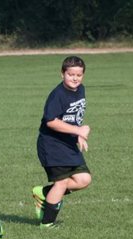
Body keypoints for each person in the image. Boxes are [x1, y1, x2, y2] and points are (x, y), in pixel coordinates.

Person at [32, 56, 92, 229]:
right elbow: (50, 121)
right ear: (62, 74)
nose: (74, 78)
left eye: (78, 75)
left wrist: (79, 134)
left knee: (83, 179)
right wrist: (78, 131)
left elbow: (75, 115)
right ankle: (47, 223)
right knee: (61, 182)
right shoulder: (57, 95)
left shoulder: (80, 90)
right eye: (70, 74)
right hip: (52, 145)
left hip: (68, 143)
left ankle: (44, 193)